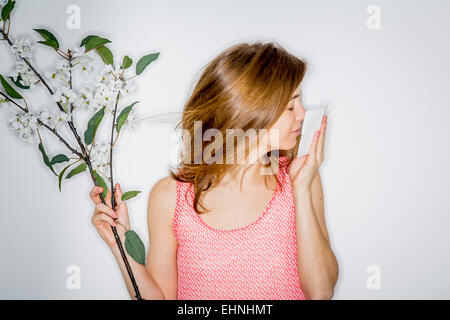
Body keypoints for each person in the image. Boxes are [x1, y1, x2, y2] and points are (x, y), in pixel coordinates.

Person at [89, 41, 338, 300]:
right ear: (249, 113)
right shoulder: (170, 198)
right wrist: (120, 246)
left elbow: (321, 292)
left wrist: (302, 188)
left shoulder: (299, 179)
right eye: (290, 107)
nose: (302, 114)